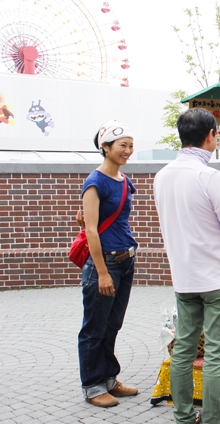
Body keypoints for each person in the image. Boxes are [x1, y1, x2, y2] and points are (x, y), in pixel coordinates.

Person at [153, 108, 220, 424]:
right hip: (216, 279)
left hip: (183, 277)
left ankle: (184, 420)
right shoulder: (209, 176)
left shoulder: (162, 175)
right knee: (216, 353)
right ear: (211, 135)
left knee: (183, 348)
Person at [77, 120, 139, 408]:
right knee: (94, 327)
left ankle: (109, 380)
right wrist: (102, 272)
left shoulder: (124, 181)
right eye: (121, 145)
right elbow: (91, 230)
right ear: (105, 147)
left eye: (130, 145)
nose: (127, 150)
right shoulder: (95, 181)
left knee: (112, 324)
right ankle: (92, 386)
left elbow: (117, 219)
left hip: (126, 261)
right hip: (106, 264)